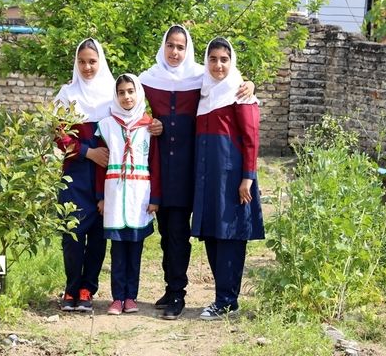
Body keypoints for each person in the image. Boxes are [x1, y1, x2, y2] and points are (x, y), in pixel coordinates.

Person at [139, 25, 255, 320]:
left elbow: (248, 127)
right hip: (182, 170)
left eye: (181, 46)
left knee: (222, 232)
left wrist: (247, 177)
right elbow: (128, 104)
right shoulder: (156, 81)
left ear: (189, 49)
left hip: (218, 173)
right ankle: (181, 290)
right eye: (171, 46)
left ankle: (224, 298)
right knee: (179, 234)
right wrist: (152, 122)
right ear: (163, 47)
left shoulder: (214, 85)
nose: (175, 52)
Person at [192, 37, 264, 321]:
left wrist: (248, 177)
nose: (218, 65)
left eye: (224, 59)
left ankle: (226, 300)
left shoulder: (240, 93)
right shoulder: (205, 92)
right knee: (212, 234)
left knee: (230, 237)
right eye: (213, 59)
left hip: (233, 179)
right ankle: (223, 297)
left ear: (231, 61)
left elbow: (251, 138)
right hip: (208, 179)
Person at [53, 38, 113, 312]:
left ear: (100, 62)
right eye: (82, 61)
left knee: (98, 236)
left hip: (104, 175)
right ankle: (71, 287)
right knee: (72, 233)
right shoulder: (67, 94)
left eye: (92, 61)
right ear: (75, 64)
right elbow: (59, 135)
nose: (87, 67)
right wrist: (88, 152)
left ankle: (88, 288)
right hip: (75, 173)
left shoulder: (112, 93)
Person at [95, 73, 161, 315]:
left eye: (130, 91)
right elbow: (99, 165)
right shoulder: (107, 125)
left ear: (139, 93)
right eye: (121, 92)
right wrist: (100, 196)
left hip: (139, 196)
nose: (126, 97)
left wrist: (155, 199)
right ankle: (116, 297)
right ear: (116, 95)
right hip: (114, 195)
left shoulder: (149, 127)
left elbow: (156, 164)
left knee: (135, 248)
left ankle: (131, 296)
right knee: (117, 249)